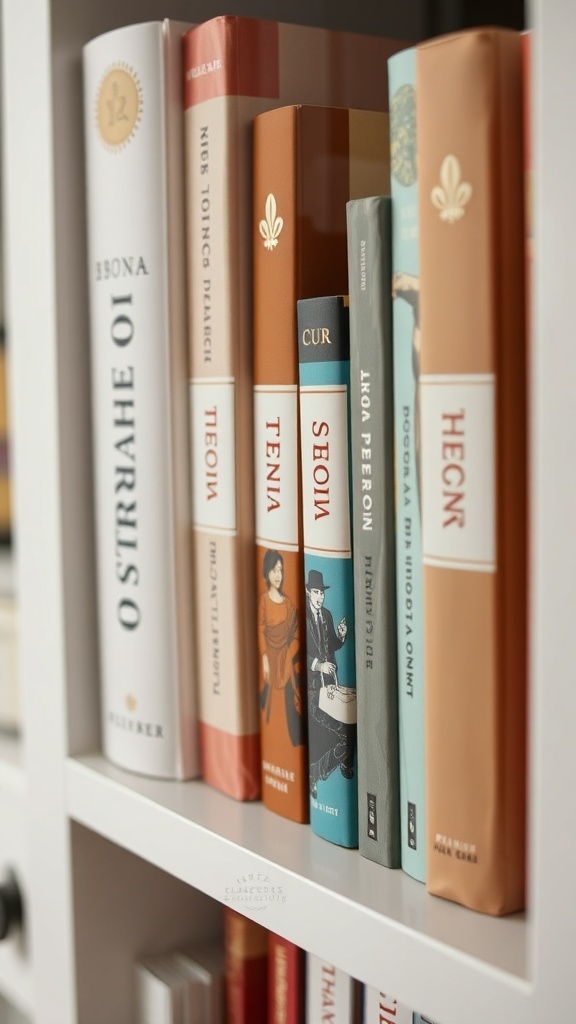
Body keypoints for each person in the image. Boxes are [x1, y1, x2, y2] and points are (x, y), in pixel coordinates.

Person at [305, 568, 355, 796]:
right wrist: (318, 665)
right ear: (308, 592)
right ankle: (317, 773)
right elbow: (298, 653)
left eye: (322, 593)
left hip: (330, 687)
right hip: (313, 691)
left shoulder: (326, 615)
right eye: (316, 592)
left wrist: (341, 635)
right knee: (345, 732)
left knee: (351, 726)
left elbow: (330, 646)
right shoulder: (303, 616)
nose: (320, 597)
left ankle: (339, 766)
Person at [258, 549, 304, 746]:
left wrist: (289, 653)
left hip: (286, 663)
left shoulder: (288, 604)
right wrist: (265, 659)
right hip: (271, 662)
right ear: (267, 573)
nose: (278, 575)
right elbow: (261, 630)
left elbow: (295, 635)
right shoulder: (264, 602)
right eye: (274, 570)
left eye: (281, 570)